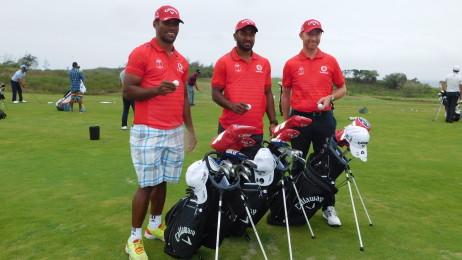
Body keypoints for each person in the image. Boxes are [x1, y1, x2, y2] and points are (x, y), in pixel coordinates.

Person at [122, 5, 196, 260]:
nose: (172, 28)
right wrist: (155, 90)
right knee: (146, 185)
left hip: (174, 130)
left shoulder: (181, 60)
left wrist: (190, 130)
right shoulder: (141, 53)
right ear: (156, 24)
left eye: (176, 24)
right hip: (148, 130)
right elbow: (128, 91)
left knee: (163, 181)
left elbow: (184, 98)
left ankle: (154, 225)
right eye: (167, 23)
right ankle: (134, 238)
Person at [281, 19, 347, 226]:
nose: (314, 38)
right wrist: (286, 124)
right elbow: (285, 95)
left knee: (327, 164)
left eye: (318, 34)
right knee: (297, 164)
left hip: (324, 120)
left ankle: (328, 206)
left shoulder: (330, 60)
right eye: (310, 34)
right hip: (299, 119)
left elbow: (342, 88)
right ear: (301, 35)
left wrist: (331, 98)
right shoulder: (291, 63)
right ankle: (293, 204)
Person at [211, 19, 277, 159]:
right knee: (227, 176)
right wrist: (232, 106)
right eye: (244, 34)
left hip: (255, 130)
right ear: (235, 36)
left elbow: (267, 93)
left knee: (252, 175)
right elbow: (216, 93)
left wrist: (273, 121)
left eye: (251, 34)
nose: (248, 38)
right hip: (230, 130)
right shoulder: (224, 62)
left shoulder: (264, 63)